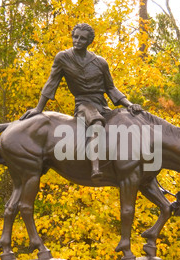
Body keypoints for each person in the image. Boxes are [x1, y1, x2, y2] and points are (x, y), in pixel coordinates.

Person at [20, 23, 142, 180]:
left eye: (82, 38)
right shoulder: (63, 58)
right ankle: (96, 168)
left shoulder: (100, 62)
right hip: (83, 104)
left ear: (89, 41)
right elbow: (52, 83)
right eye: (75, 36)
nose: (77, 40)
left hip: (102, 105)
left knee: (130, 124)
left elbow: (111, 89)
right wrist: (38, 109)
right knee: (97, 123)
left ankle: (141, 171)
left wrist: (130, 104)